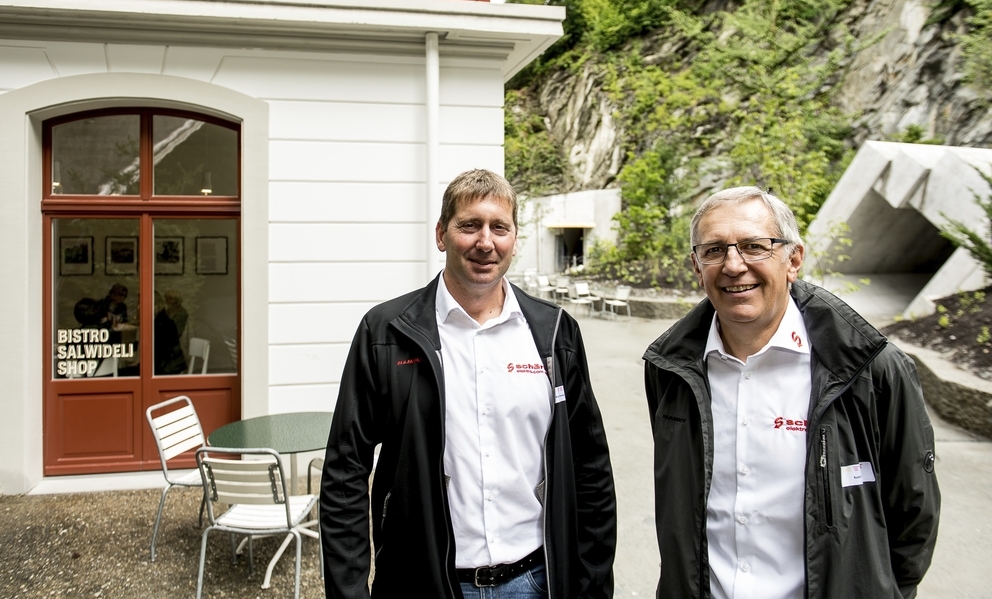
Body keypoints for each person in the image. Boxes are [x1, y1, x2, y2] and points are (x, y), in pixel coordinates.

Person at [321, 169, 616, 599]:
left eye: (500, 227)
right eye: (469, 225)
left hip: (536, 581)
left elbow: (591, 470)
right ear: (441, 235)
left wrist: (592, 586)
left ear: (515, 239)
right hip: (423, 583)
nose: (485, 241)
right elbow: (345, 471)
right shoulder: (386, 332)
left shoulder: (554, 333)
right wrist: (349, 591)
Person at [643, 186, 940, 599]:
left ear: (793, 259)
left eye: (754, 246)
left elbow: (913, 513)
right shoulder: (670, 369)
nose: (733, 265)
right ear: (697, 266)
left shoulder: (870, 369)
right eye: (713, 250)